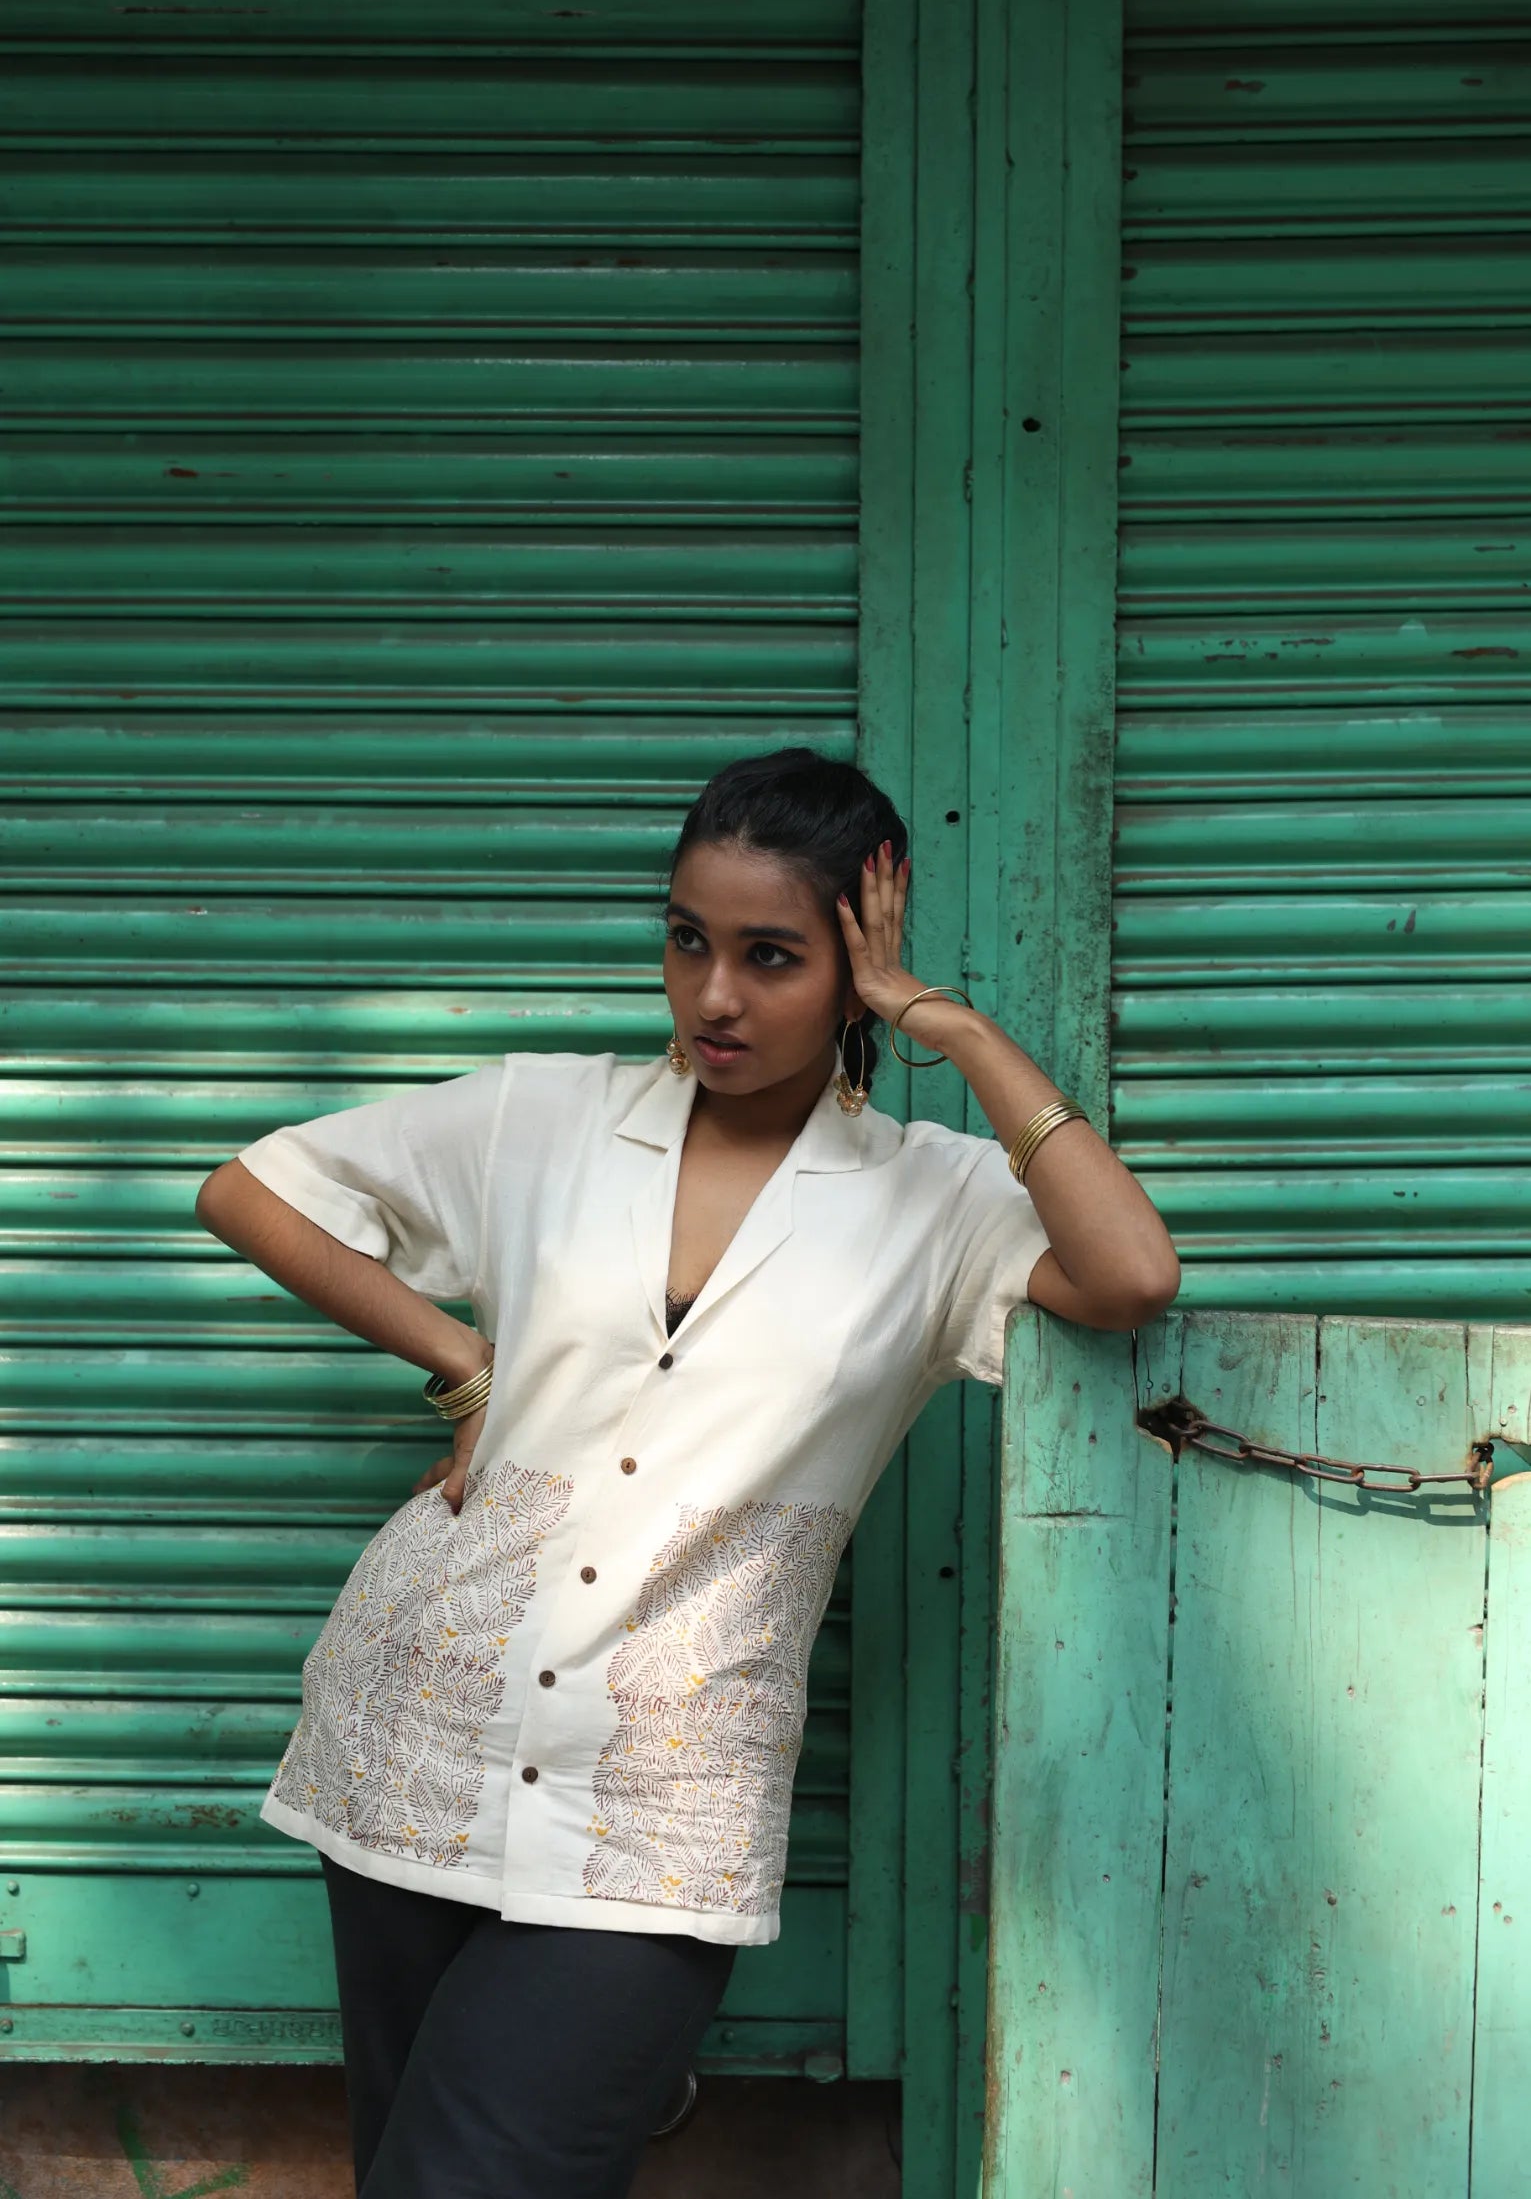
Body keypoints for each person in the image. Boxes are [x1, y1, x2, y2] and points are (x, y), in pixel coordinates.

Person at [195, 746, 1180, 2198]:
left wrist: (950, 1025)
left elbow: (1131, 1274)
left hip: (665, 1791)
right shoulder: (544, 1117)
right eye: (687, 941)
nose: (714, 994)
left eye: (771, 957)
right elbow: (252, 1190)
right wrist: (463, 1363)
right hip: (417, 1728)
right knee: (410, 2166)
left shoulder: (937, 1196)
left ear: (853, 961)